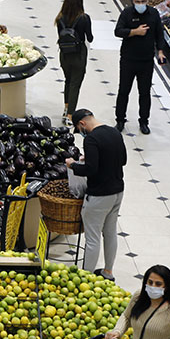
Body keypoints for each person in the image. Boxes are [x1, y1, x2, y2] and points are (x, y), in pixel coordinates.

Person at [65, 109, 127, 281]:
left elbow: (91, 169)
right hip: (118, 191)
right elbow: (123, 160)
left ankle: (86, 278)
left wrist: (73, 165)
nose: (81, 132)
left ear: (82, 124)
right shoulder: (114, 132)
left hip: (99, 195)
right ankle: (108, 272)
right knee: (110, 232)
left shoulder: (92, 139)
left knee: (92, 238)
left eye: (79, 128)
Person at [113, 0, 166, 134]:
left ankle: (144, 122)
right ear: (133, 1)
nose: (140, 4)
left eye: (143, 2)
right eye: (138, 2)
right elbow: (117, 31)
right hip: (128, 59)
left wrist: (160, 51)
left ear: (147, 1)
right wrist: (134, 32)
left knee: (145, 93)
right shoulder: (127, 13)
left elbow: (159, 34)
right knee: (123, 90)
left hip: (146, 61)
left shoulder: (154, 14)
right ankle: (120, 120)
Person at [55, 0, 93, 125]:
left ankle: (66, 108)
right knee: (75, 85)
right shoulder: (84, 18)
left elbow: (60, 35)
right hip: (78, 54)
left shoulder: (60, 18)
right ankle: (70, 115)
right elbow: (90, 38)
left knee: (68, 81)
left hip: (64, 54)